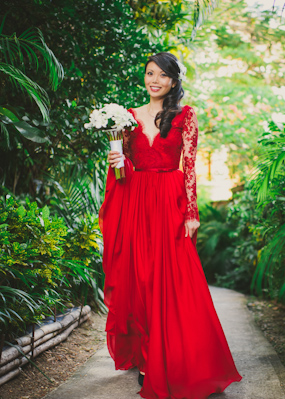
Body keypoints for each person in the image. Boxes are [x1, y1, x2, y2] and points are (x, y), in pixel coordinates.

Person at [98, 52, 242, 399]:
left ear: (173, 82)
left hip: (170, 202)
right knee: (140, 279)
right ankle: (147, 360)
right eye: (150, 73)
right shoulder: (127, 117)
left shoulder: (185, 116)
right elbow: (125, 169)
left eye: (162, 75)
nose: (154, 80)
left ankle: (182, 359)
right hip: (135, 202)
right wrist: (116, 160)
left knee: (175, 281)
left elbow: (189, 166)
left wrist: (192, 213)